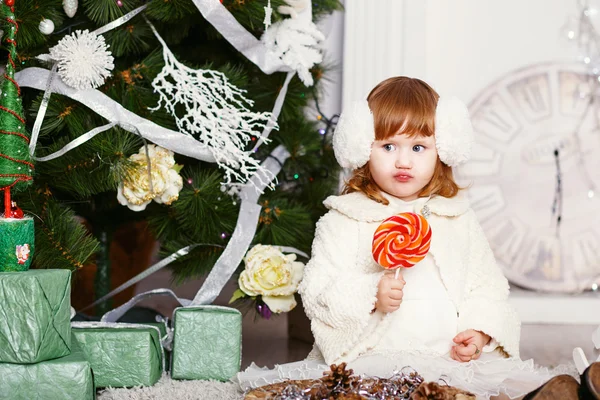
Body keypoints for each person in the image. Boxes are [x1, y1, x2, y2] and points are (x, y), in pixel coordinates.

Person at [237, 77, 563, 399]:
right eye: (389, 146)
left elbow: (487, 286)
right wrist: (370, 294)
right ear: (363, 146)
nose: (404, 161)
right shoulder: (343, 220)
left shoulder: (457, 218)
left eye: (419, 147)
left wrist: (479, 334)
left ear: (443, 150)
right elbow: (318, 290)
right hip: (372, 359)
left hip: (448, 361)